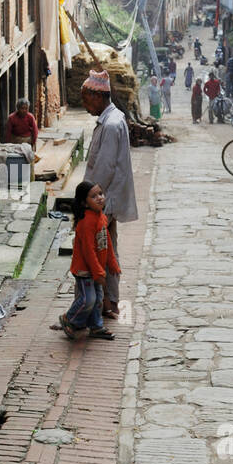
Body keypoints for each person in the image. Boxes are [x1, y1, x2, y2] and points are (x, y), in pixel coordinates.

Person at [81, 69, 138, 319]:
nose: (84, 105)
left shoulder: (112, 124)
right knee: (108, 251)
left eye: (86, 99)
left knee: (96, 254)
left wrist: (88, 202)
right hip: (106, 201)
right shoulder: (112, 119)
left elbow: (104, 169)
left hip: (104, 202)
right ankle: (109, 302)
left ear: (97, 96)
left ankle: (90, 308)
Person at [58, 181, 121, 341]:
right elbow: (88, 251)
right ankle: (69, 319)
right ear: (84, 202)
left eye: (100, 194)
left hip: (96, 269)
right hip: (84, 270)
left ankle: (96, 326)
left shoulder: (101, 217)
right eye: (94, 196)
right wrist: (99, 272)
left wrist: (112, 263)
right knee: (88, 299)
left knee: (98, 299)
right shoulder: (86, 223)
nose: (100, 198)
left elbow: (106, 242)